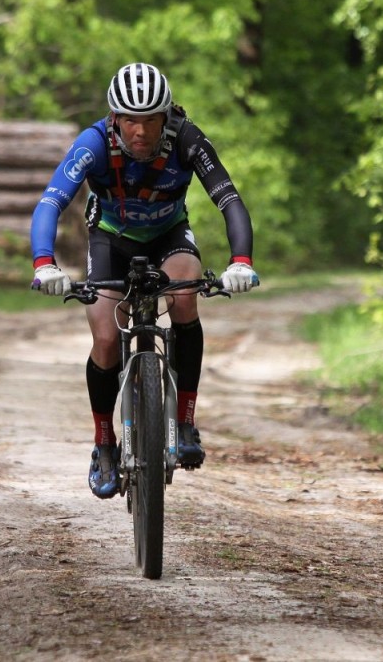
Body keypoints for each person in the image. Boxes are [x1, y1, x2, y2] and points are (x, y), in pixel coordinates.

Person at [30, 62, 259, 499]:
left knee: (187, 297)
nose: (140, 131)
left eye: (150, 119)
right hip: (110, 242)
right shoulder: (93, 142)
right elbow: (50, 203)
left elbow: (229, 199)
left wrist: (241, 261)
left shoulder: (187, 139)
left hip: (168, 236)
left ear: (165, 116)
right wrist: (45, 264)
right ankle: (104, 445)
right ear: (114, 118)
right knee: (104, 339)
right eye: (130, 119)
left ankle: (186, 420)